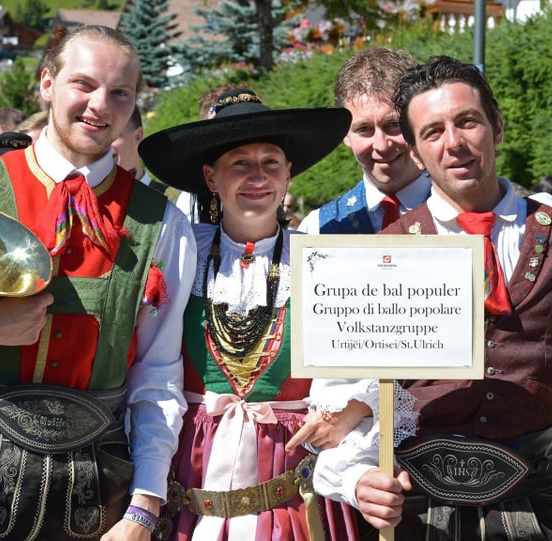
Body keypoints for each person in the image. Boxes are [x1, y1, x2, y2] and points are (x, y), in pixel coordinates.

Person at [0, 24, 197, 541]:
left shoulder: (164, 224)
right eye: (84, 84)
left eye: (120, 93)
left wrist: (144, 507)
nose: (101, 105)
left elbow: (158, 377)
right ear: (47, 84)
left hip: (99, 491)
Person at [313, 55, 552, 541]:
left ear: (496, 125)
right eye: (432, 132)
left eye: (467, 122)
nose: (453, 143)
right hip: (413, 514)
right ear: (415, 150)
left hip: (536, 509)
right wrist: (354, 479)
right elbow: (337, 398)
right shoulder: (382, 254)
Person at [138, 88, 390, 540]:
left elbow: (365, 375)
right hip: (188, 479)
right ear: (211, 178)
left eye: (271, 162)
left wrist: (343, 414)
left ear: (289, 173)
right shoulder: (180, 253)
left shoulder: (322, 261)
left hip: (294, 490)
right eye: (240, 163)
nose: (258, 176)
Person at [297, 46, 429, 234]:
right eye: (364, 129)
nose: (382, 145)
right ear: (345, 135)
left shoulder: (463, 213)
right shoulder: (317, 229)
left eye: (393, 124)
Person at [111, 105, 197, 222]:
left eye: (113, 135)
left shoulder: (178, 202)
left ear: (138, 136)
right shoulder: (83, 205)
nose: (102, 145)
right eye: (97, 136)